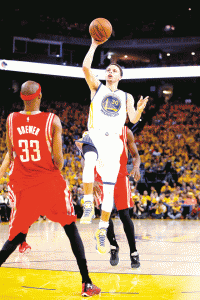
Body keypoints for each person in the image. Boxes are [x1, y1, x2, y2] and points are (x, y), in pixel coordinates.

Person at [0, 81, 100, 297]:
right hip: (48, 184)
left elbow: (12, 153)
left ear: (22, 98)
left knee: (17, 235)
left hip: (23, 184)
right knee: (70, 228)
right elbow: (59, 163)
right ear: (40, 96)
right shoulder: (52, 120)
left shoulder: (10, 120)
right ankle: (86, 283)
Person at [79, 37, 148, 254]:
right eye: (108, 69)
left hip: (113, 145)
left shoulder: (126, 96)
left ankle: (102, 230)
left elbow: (134, 119)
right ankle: (88, 203)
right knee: (88, 160)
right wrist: (93, 44)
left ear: (120, 76)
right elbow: (85, 67)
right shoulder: (96, 88)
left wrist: (139, 109)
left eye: (114, 70)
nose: (110, 72)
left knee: (109, 193)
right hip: (94, 136)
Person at [77, 126, 141, 266]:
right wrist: (90, 177)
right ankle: (113, 246)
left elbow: (136, 155)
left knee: (124, 215)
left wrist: (136, 167)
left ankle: (133, 252)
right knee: (105, 214)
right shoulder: (92, 132)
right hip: (100, 178)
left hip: (120, 176)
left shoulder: (126, 132)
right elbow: (84, 158)